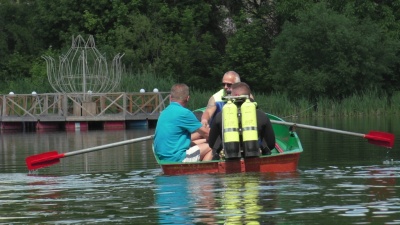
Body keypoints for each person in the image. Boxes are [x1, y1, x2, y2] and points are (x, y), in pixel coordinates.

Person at [208, 82, 275, 159]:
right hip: (253, 156)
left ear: (235, 96)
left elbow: (212, 144)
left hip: (230, 158)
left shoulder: (220, 115)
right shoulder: (261, 115)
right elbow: (271, 144)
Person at [154, 83, 212, 162]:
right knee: (213, 146)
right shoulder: (185, 113)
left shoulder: (164, 112)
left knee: (200, 141)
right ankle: (204, 172)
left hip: (163, 157)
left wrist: (203, 137)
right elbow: (208, 134)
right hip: (176, 157)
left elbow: (182, 137)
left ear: (170, 98)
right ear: (187, 98)